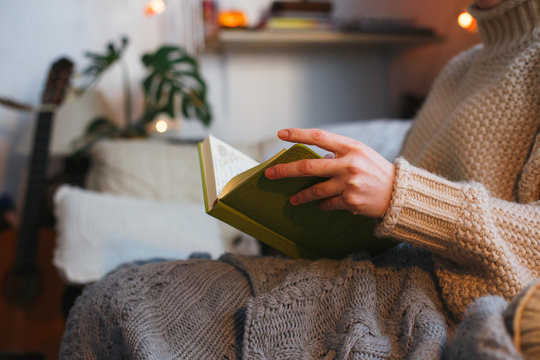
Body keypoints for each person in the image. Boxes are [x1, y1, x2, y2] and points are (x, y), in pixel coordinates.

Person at [60, 0, 540, 358]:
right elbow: (391, 221)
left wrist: (400, 194)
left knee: (122, 304)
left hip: (443, 298)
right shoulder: (459, 68)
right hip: (379, 271)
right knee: (116, 292)